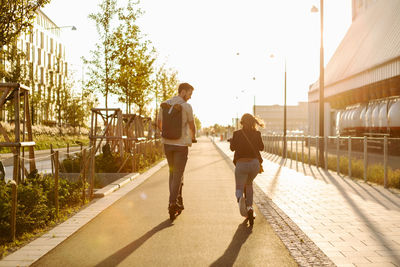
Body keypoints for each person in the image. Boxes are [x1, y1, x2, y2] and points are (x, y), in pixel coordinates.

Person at [158, 83, 196, 221]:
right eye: (190, 93)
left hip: (167, 143)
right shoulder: (186, 106)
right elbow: (192, 125)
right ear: (183, 92)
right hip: (181, 145)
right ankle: (172, 203)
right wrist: (193, 137)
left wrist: (165, 134)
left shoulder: (165, 104)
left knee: (172, 172)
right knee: (178, 174)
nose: (190, 97)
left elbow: (159, 123)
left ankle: (176, 200)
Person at [229, 113, 264, 225]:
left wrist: (232, 141)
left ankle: (240, 200)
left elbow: (232, 148)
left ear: (242, 123)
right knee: (249, 184)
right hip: (254, 165)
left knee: (239, 187)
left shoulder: (237, 134)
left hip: (241, 165)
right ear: (253, 122)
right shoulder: (257, 134)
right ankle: (249, 208)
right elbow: (261, 148)